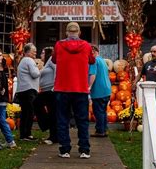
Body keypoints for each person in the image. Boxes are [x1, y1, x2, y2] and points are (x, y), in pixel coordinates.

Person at [52, 22, 95, 159]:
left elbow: (54, 60)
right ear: (79, 32)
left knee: (62, 119)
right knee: (82, 120)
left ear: (66, 33)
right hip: (81, 88)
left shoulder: (59, 45)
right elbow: (92, 61)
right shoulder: (87, 46)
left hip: (62, 88)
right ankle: (84, 150)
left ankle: (64, 149)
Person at [16, 43, 40, 141]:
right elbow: (35, 74)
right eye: (33, 51)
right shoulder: (29, 60)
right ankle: (27, 134)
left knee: (25, 113)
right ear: (28, 52)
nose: (35, 53)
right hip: (29, 90)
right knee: (29, 113)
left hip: (23, 90)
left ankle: (23, 134)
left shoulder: (23, 61)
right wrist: (39, 68)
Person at [34, 47, 58, 144]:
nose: (41, 55)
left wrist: (55, 86)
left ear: (48, 53)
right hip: (45, 90)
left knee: (37, 103)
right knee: (50, 112)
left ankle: (53, 136)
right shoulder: (46, 63)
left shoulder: (52, 60)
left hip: (51, 91)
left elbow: (57, 71)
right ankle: (51, 132)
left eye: (43, 53)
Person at [88, 45, 112, 137]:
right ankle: (104, 129)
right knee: (103, 111)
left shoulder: (94, 61)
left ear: (93, 51)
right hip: (107, 89)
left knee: (98, 111)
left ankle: (100, 131)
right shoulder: (102, 60)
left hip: (99, 90)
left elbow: (93, 75)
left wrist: (89, 86)